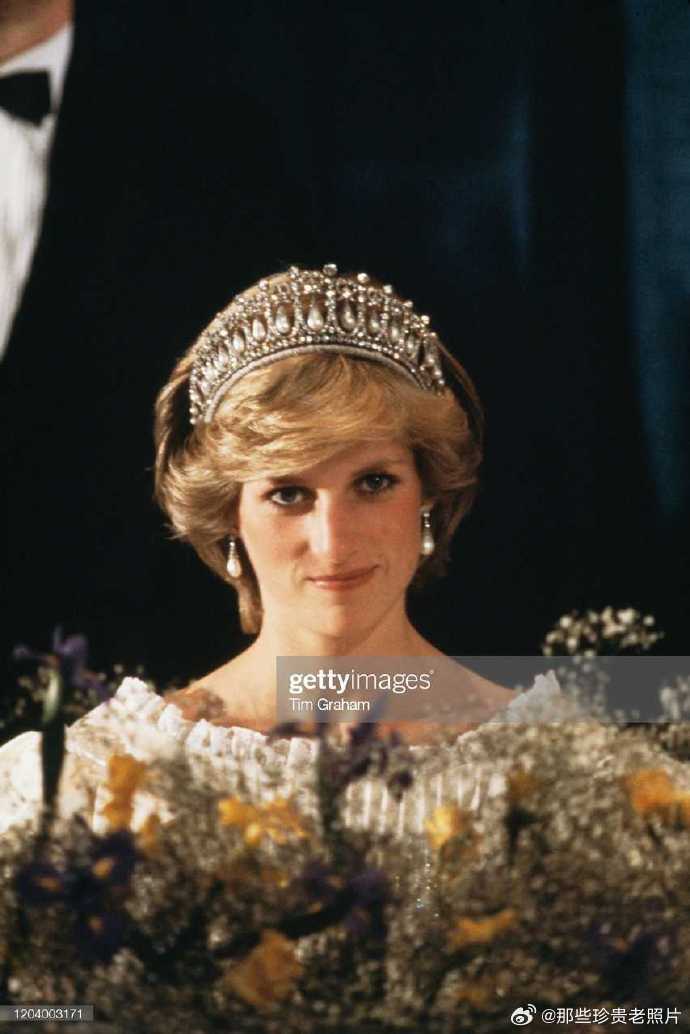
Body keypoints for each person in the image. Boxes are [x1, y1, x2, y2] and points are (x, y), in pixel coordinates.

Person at [0, 264, 567, 837]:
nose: (333, 541)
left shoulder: (561, 768)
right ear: (229, 515)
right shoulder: (98, 778)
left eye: (373, 483)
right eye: (288, 494)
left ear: (427, 494)